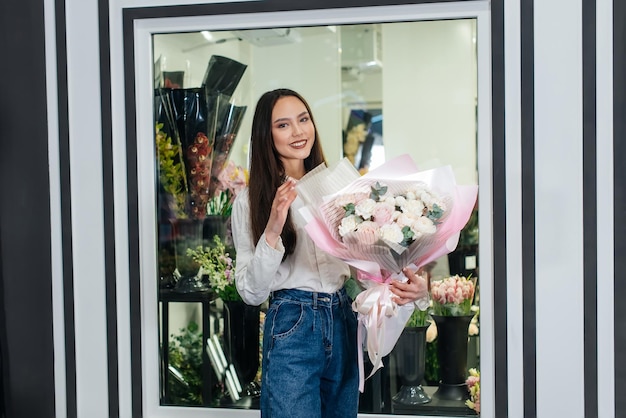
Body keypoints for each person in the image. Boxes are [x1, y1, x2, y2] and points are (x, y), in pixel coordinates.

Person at [231, 88, 428, 418]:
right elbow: (251, 293)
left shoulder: (343, 188)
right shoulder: (250, 202)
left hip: (342, 319)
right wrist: (274, 226)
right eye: (283, 125)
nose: (298, 131)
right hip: (292, 323)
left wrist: (410, 290)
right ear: (265, 135)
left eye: (303, 119)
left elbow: (367, 272)